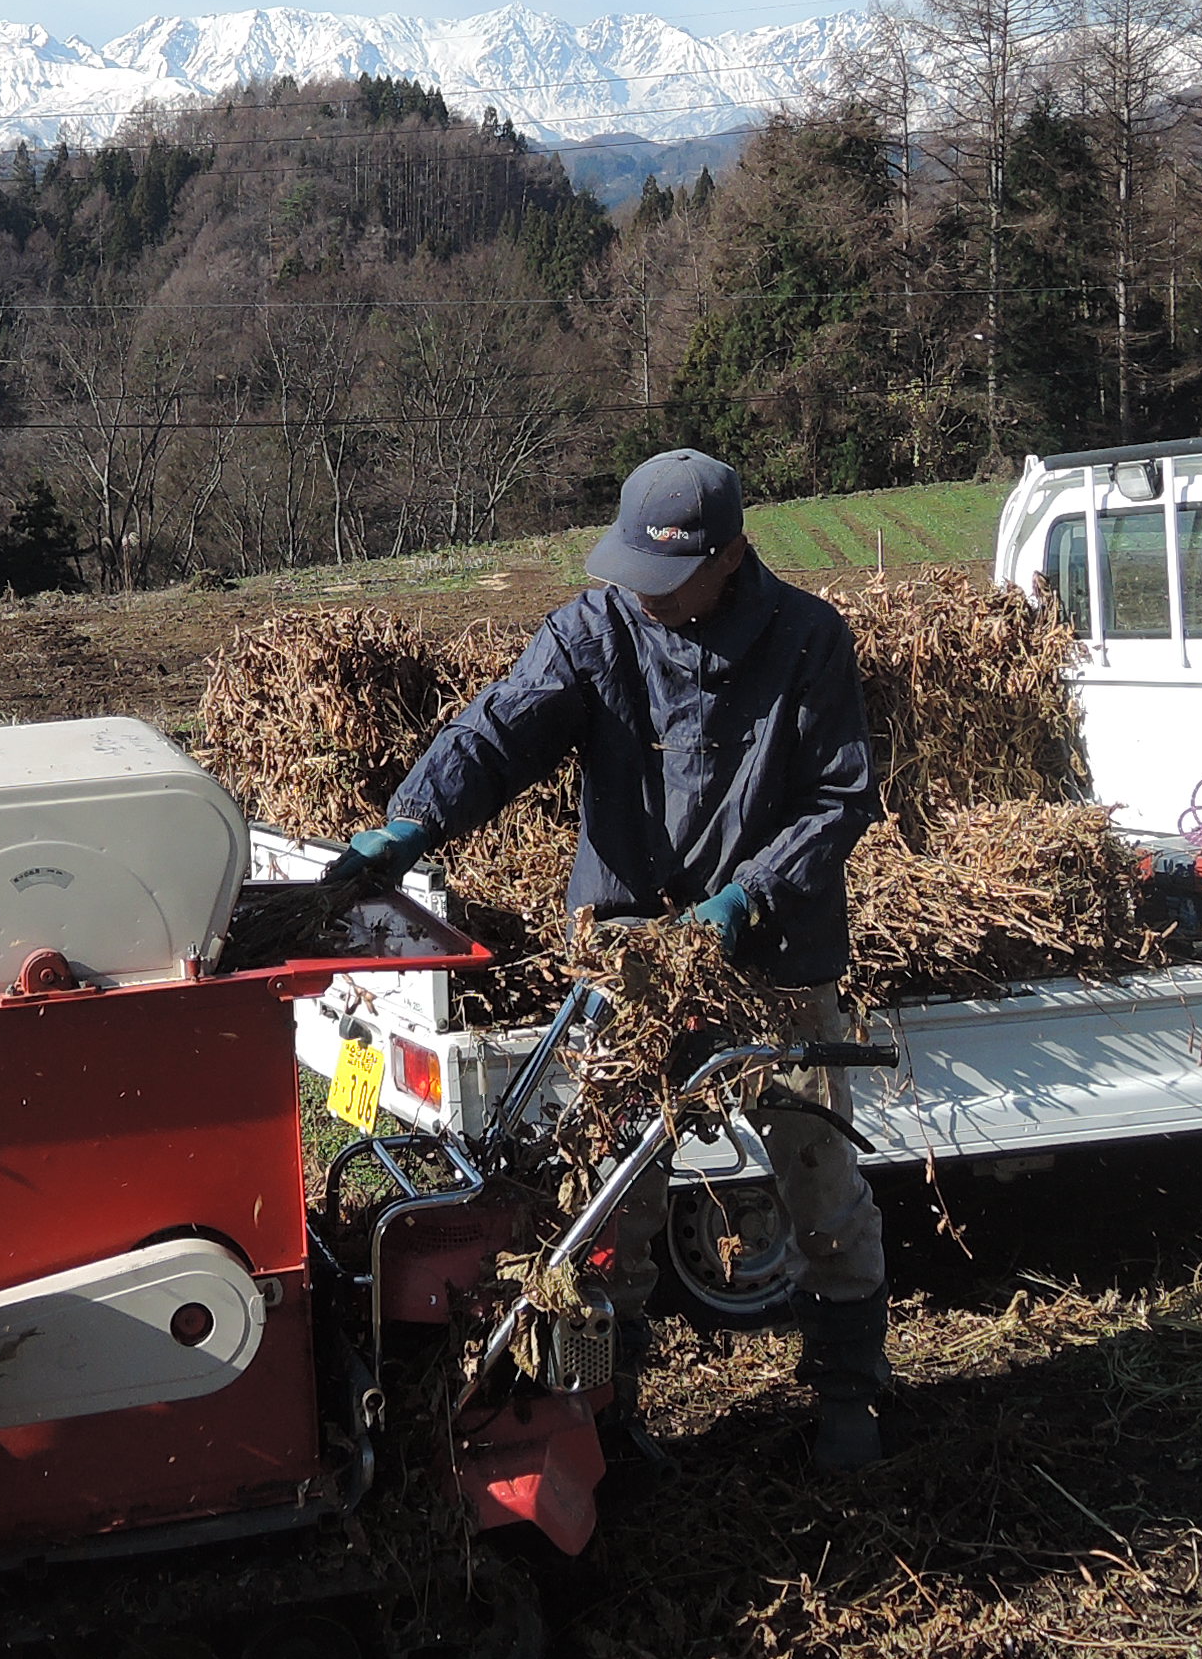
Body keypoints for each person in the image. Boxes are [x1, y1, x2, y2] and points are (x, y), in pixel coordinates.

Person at [320, 447, 895, 1474]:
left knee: (817, 1181)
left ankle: (849, 1393)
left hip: (776, 959)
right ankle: (611, 1414)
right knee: (611, 1199)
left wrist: (743, 897)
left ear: (728, 559)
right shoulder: (596, 630)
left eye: (667, 576)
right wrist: (409, 826)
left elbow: (837, 800)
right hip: (632, 956)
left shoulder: (807, 639)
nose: (645, 594)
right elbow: (497, 734)